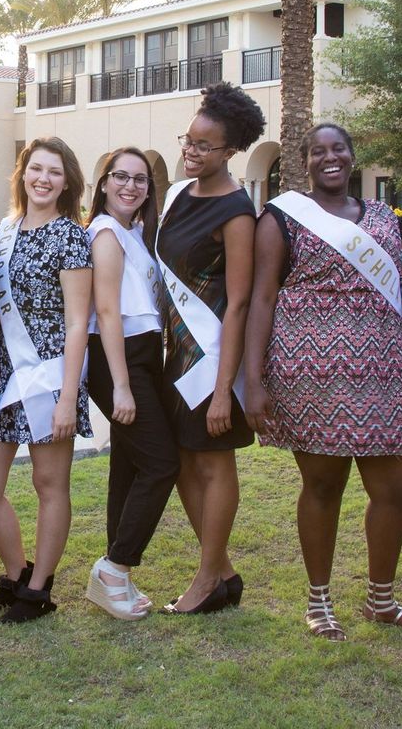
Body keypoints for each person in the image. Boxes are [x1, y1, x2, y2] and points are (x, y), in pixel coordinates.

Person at [244, 122, 402, 641]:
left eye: (339, 149)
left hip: (387, 371)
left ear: (352, 156)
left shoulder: (386, 219)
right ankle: (319, 600)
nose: (331, 158)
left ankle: (382, 600)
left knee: (394, 487)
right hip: (310, 375)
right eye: (319, 151)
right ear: (304, 161)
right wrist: (253, 381)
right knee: (323, 486)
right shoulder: (282, 218)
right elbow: (262, 297)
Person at [0, 137, 92, 623]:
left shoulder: (69, 235)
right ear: (22, 174)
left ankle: (39, 591)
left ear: (67, 181)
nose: (43, 179)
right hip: (3, 374)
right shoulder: (3, 230)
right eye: (36, 169)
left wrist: (66, 396)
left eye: (54, 172)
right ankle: (19, 573)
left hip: (48, 374)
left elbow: (79, 321)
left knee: (48, 481)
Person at [157, 83, 264, 615]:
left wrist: (225, 390)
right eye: (189, 141)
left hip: (209, 361)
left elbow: (240, 302)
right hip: (170, 358)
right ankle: (220, 571)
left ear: (229, 151)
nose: (191, 152)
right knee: (178, 462)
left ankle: (206, 576)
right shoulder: (179, 196)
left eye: (204, 146)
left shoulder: (237, 212)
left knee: (215, 465)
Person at [83, 148, 171, 620]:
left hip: (141, 354)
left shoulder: (134, 233)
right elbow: (108, 311)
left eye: (140, 180)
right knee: (162, 463)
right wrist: (120, 384)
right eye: (121, 177)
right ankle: (114, 566)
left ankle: (116, 576)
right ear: (102, 183)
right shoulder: (105, 232)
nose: (130, 186)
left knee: (130, 463)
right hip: (119, 358)